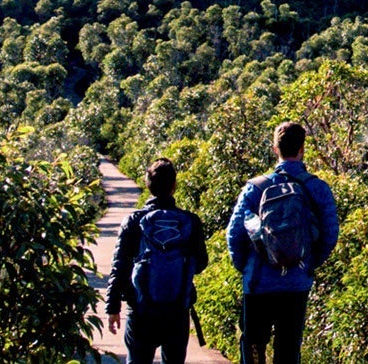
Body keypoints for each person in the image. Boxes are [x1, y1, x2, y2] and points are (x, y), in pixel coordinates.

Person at [226, 121, 339, 364]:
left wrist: (245, 267)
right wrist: (308, 263)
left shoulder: (255, 188)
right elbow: (330, 234)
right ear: (302, 149)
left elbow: (234, 234)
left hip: (258, 282)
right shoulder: (317, 188)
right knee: (288, 350)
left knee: (254, 346)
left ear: (275, 149)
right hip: (296, 283)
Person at [107, 158, 210, 364]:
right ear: (174, 185)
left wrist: (113, 306)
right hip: (177, 310)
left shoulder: (134, 221)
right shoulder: (190, 221)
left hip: (141, 309)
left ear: (148, 185)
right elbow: (200, 263)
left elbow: (120, 265)